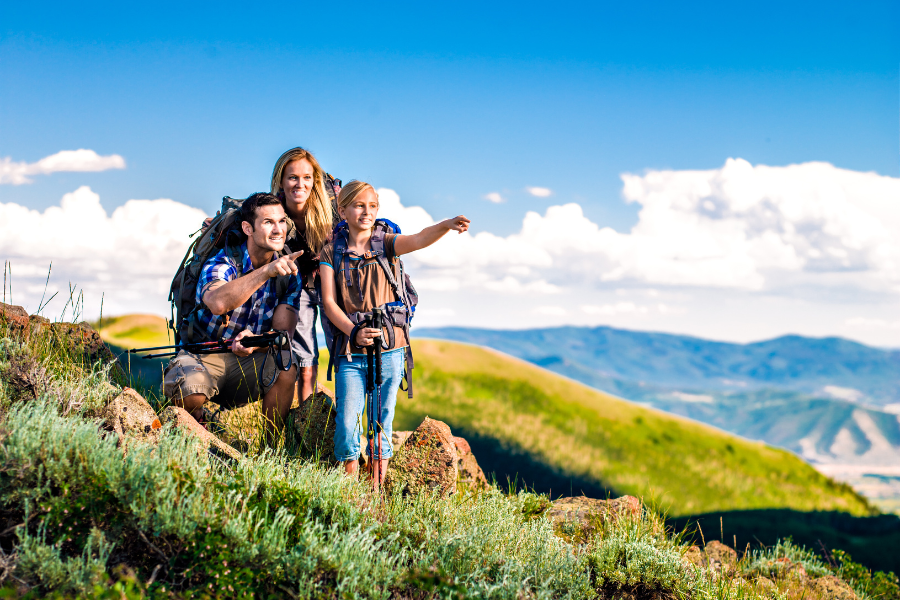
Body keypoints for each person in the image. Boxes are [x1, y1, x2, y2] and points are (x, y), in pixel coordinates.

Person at [319, 180, 470, 482]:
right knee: (348, 423)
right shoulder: (330, 251)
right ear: (343, 209)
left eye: (372, 205)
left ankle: (376, 490)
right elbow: (328, 302)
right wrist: (353, 332)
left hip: (392, 347)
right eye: (359, 205)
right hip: (350, 351)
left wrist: (445, 225)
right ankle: (349, 489)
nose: (367, 211)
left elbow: (418, 239)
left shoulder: (385, 243)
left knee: (381, 420)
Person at [163, 192, 303, 441]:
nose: (278, 229)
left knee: (286, 368)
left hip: (248, 363)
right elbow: (217, 302)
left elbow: (283, 336)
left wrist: (256, 342)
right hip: (204, 356)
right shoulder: (223, 262)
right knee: (189, 389)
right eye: (268, 222)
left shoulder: (288, 274)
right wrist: (265, 271)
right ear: (248, 228)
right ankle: (198, 420)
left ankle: (271, 449)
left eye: (282, 221)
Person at [270, 148, 336, 403]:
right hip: (299, 285)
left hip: (333, 284)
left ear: (315, 180)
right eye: (293, 177)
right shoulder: (272, 209)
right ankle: (305, 420)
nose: (300, 184)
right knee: (305, 359)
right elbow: (248, 212)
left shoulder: (331, 208)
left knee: (343, 353)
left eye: (307, 177)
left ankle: (343, 425)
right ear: (281, 180)